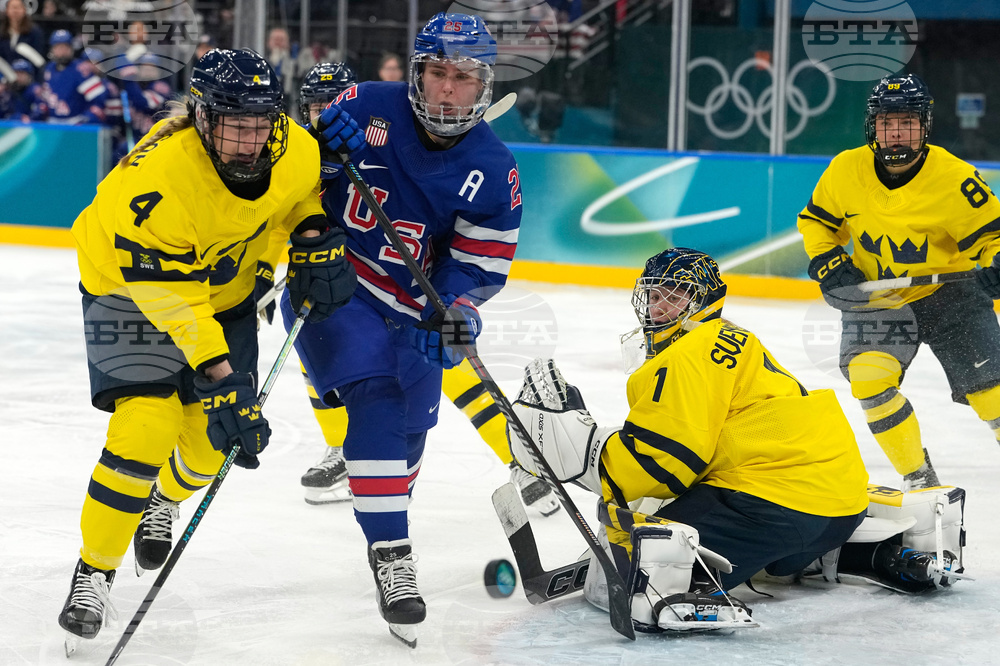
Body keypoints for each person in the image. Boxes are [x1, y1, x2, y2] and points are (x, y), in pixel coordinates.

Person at [57, 48, 355, 647]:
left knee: (208, 446)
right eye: (233, 125)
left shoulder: (293, 145)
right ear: (201, 116)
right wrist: (220, 379)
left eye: (258, 124)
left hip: (224, 290)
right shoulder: (158, 183)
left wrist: (312, 232)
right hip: (130, 292)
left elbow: (295, 195)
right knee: (146, 426)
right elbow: (174, 304)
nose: (248, 141)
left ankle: (160, 499)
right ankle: (94, 570)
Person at [507, 248, 963, 633]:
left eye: (674, 297)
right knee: (688, 517)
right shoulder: (732, 338)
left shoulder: (685, 357)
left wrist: (581, 450)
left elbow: (662, 466)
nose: (657, 308)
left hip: (773, 507)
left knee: (629, 565)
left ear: (701, 303)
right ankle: (869, 553)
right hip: (839, 503)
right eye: (653, 296)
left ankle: (689, 586)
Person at [281, 12, 522, 646]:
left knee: (412, 431)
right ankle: (393, 554)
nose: (447, 88)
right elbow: (295, 186)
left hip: (413, 307)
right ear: (417, 72)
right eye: (438, 73)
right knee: (378, 403)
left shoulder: (495, 169)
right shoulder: (364, 105)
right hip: (338, 289)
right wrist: (321, 150)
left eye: (463, 78)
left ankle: (382, 513)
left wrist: (457, 311)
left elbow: (478, 263)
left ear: (483, 86)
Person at [287, 61, 558, 515]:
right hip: (352, 285)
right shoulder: (310, 150)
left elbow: (466, 241)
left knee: (460, 371)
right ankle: (342, 447)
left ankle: (524, 461)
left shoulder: (383, 128)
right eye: (315, 107)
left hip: (421, 294)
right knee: (318, 353)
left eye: (329, 104)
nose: (323, 115)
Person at [798, 73, 1000, 491]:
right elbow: (817, 223)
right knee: (869, 381)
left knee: (994, 395)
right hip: (879, 298)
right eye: (887, 123)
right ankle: (920, 480)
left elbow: (993, 237)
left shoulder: (956, 178)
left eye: (907, 123)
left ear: (924, 126)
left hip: (952, 296)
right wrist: (829, 263)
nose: (896, 134)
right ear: (872, 127)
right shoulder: (844, 170)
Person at [38, 29, 108, 125]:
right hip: (52, 122)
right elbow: (45, 97)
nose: (62, 51)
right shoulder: (49, 69)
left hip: (76, 122)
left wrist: (86, 119)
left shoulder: (81, 69)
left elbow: (99, 100)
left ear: (71, 49)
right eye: (58, 47)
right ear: (52, 49)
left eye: (65, 47)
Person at [0, 0, 45, 75]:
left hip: (28, 75)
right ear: (7, 10)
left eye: (18, 8)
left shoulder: (34, 32)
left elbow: (38, 57)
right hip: (5, 76)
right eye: (12, 8)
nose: (15, 11)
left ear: (24, 10)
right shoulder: (2, 32)